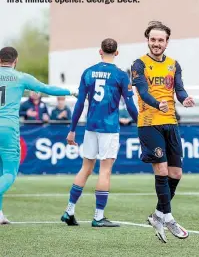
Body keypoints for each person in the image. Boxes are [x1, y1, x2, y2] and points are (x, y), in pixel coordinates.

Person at [61, 38, 138, 227]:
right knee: (105, 171)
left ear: (100, 51)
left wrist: (72, 130)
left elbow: (79, 104)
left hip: (91, 127)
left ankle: (69, 211)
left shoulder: (88, 72)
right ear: (117, 53)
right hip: (109, 128)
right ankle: (98, 217)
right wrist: (141, 124)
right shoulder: (121, 75)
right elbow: (129, 105)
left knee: (85, 168)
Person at [131, 21, 194, 243]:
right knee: (162, 170)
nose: (156, 43)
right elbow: (144, 92)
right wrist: (158, 104)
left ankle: (158, 214)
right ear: (148, 40)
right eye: (153, 39)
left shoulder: (174, 64)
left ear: (167, 42)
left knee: (176, 174)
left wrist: (185, 98)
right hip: (149, 124)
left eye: (161, 40)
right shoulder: (139, 64)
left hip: (171, 123)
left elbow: (178, 88)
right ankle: (168, 217)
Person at [0, 46, 75, 224]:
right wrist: (70, 91)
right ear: (15, 61)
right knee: (9, 173)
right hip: (8, 129)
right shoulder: (21, 77)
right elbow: (47, 89)